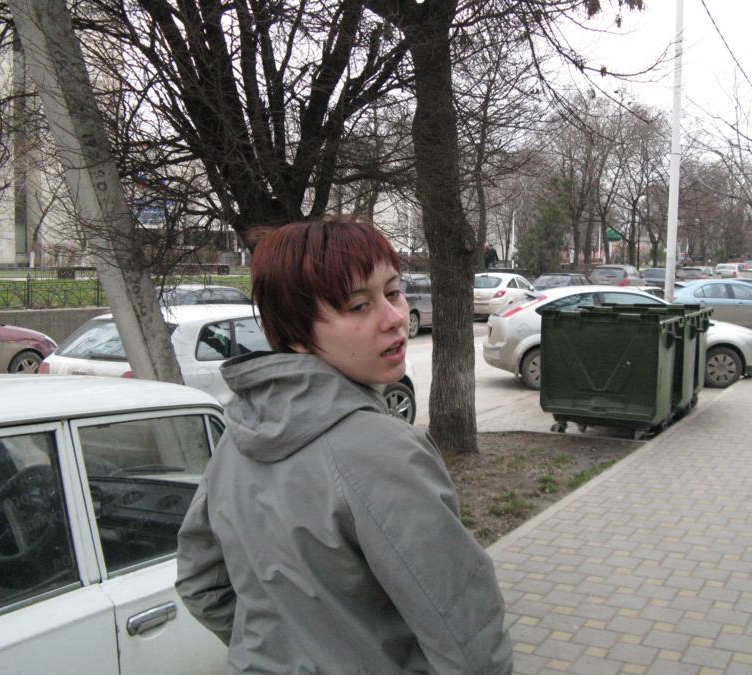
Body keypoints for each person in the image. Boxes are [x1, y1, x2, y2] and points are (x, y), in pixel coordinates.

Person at [176, 216, 513, 674]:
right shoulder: (383, 450)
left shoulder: (238, 439)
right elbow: (466, 633)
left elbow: (200, 582)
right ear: (296, 334)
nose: (394, 318)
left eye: (392, 292)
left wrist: (281, 649)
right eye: (358, 305)